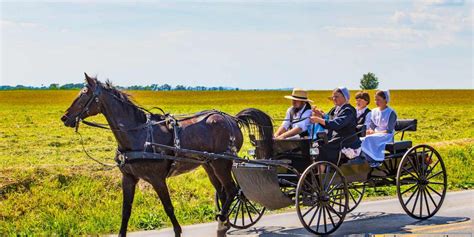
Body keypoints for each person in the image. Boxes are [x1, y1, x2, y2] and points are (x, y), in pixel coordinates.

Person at [310, 87, 361, 164]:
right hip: (335, 139)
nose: (334, 98)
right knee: (314, 145)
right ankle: (315, 168)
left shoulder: (348, 110)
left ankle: (320, 173)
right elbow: (329, 121)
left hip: (346, 140)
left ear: (345, 97)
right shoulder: (335, 109)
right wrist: (320, 116)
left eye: (336, 96)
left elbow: (336, 124)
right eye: (333, 96)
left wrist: (319, 119)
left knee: (321, 149)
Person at [361, 90, 397, 167]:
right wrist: (369, 131)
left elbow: (389, 130)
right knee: (362, 138)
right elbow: (372, 126)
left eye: (378, 100)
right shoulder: (374, 111)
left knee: (368, 139)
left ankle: (375, 160)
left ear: (385, 100)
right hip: (376, 134)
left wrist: (374, 133)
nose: (376, 102)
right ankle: (366, 159)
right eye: (375, 99)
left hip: (387, 135)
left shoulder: (391, 112)